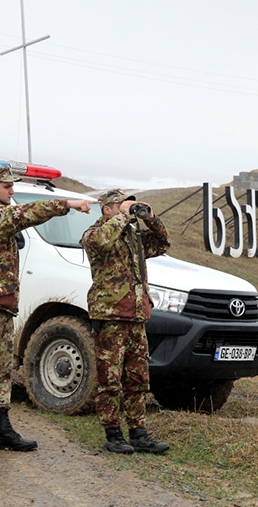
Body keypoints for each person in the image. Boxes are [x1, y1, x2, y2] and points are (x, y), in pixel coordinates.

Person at [0, 165, 94, 460]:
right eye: (7, 187)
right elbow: (24, 214)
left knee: (2, 370)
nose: (12, 191)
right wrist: (65, 204)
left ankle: (1, 431)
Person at [80, 188, 171, 454]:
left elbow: (162, 243)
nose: (127, 209)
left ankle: (138, 432)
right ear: (107, 210)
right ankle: (112, 434)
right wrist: (122, 216)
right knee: (110, 379)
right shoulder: (94, 235)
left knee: (138, 378)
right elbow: (104, 242)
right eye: (120, 205)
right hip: (110, 316)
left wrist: (150, 218)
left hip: (136, 315)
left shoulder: (133, 237)